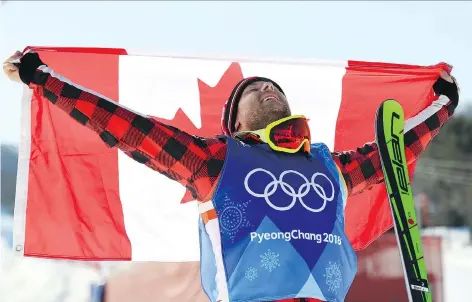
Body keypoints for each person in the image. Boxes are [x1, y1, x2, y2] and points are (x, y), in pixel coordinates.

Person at [3, 50, 459, 302]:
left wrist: (444, 105)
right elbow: (130, 129)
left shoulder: (330, 166)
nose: (266, 88)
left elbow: (393, 153)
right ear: (236, 125)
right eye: (251, 91)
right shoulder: (215, 163)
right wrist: (46, 81)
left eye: (273, 88)